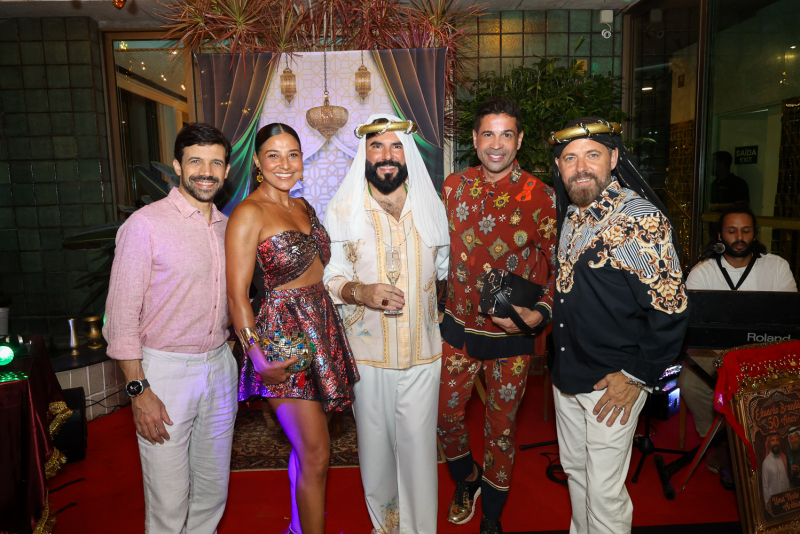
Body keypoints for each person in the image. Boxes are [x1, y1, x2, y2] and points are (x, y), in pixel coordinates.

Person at [549, 117, 690, 534]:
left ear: (613, 158)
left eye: (592, 155)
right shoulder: (574, 215)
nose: (581, 167)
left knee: (605, 493)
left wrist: (635, 377)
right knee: (577, 473)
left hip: (614, 384)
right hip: (568, 375)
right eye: (570, 159)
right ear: (559, 167)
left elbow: (671, 309)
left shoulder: (639, 217)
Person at [103, 122, 238, 534]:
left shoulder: (229, 226)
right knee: (168, 497)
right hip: (163, 372)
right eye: (195, 161)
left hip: (218, 366)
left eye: (215, 162)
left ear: (227, 171)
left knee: (212, 490)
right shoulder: (145, 225)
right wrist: (138, 391)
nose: (206, 171)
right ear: (178, 166)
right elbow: (121, 319)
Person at [226, 123, 358, 534]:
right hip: (283, 338)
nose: (285, 164)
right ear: (258, 162)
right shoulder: (249, 212)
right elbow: (237, 297)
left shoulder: (304, 208)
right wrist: (257, 356)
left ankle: (298, 529)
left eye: (293, 154)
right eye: (273, 155)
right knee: (318, 453)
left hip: (321, 326)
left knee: (307, 449)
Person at [323, 115, 449, 534]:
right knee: (375, 453)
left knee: (418, 453)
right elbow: (328, 277)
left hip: (423, 354)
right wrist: (360, 292)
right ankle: (386, 527)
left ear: (407, 154)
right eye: (377, 147)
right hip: (367, 356)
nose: (386, 156)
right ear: (365, 154)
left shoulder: (432, 210)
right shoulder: (342, 210)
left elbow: (448, 272)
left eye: (396, 147)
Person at [437, 97, 557, 534]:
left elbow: (560, 268)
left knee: (501, 429)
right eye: (489, 133)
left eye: (507, 134)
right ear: (474, 139)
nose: (497, 144)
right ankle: (466, 479)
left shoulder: (541, 195)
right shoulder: (452, 187)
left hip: (512, 337)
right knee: (446, 416)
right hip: (457, 330)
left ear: (519, 139)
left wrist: (536, 316)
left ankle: (492, 514)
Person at [677, 206, 797, 477]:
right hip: (713, 349)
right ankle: (724, 440)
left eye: (745, 231)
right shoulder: (703, 271)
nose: (739, 237)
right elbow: (695, 324)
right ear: (720, 235)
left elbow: (788, 320)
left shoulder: (776, 266)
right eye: (732, 231)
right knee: (689, 383)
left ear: (755, 235)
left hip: (763, 349)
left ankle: (752, 441)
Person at [762, 433, 790, 505]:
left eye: (777, 440)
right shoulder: (766, 463)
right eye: (773, 440)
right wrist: (769, 504)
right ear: (769, 443)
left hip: (786, 500)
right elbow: (765, 487)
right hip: (774, 503)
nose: (775, 443)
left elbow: (786, 480)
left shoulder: (783, 458)